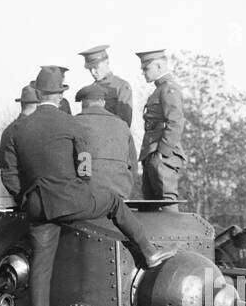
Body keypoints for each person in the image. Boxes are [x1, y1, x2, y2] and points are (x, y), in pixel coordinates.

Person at [15, 67, 168, 306]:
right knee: (111, 202)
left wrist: (26, 197)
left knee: (41, 261)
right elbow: (84, 169)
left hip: (38, 204)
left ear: (37, 94)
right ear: (59, 94)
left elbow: (10, 172)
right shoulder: (71, 123)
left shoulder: (19, 128)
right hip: (71, 199)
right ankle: (150, 252)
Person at [137, 49, 186, 202]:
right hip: (152, 152)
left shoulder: (168, 89)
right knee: (151, 205)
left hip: (162, 154)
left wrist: (163, 152)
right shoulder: (159, 89)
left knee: (166, 202)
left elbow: (175, 122)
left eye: (146, 68)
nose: (143, 73)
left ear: (159, 66)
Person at [74, 82, 135, 198]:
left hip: (86, 195)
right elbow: (133, 165)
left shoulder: (74, 122)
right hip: (120, 194)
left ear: (83, 104)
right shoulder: (122, 125)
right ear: (103, 102)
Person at [0, 85, 40, 200]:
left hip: (24, 199)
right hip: (36, 200)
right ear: (38, 105)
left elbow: (7, 173)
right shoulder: (37, 130)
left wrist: (22, 198)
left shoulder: (9, 131)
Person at [78, 45, 134, 128]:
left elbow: (124, 123)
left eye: (96, 68)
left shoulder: (121, 86)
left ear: (106, 62)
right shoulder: (90, 90)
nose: (93, 72)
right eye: (90, 69)